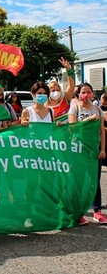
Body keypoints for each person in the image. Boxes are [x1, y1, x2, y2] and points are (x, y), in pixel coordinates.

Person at [68, 82, 106, 226]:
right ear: (78, 95)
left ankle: (97, 211)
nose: (86, 95)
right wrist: (87, 120)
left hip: (94, 152)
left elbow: (101, 131)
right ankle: (78, 213)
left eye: (89, 92)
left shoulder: (97, 109)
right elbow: (72, 129)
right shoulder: (75, 108)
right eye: (83, 92)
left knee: (94, 182)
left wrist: (103, 149)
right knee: (79, 182)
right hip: (78, 151)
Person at [20, 81, 55, 228]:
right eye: (39, 93)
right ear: (33, 94)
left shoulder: (51, 112)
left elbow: (54, 131)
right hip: (32, 153)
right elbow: (21, 130)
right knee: (31, 185)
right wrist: (24, 124)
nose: (42, 96)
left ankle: (47, 215)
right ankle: (28, 216)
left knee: (48, 184)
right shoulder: (27, 111)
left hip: (47, 153)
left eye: (44, 94)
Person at [45, 57, 75, 124]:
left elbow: (71, 86)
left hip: (67, 133)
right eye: (53, 91)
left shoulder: (65, 100)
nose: (56, 92)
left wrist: (68, 71)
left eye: (58, 90)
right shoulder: (45, 108)